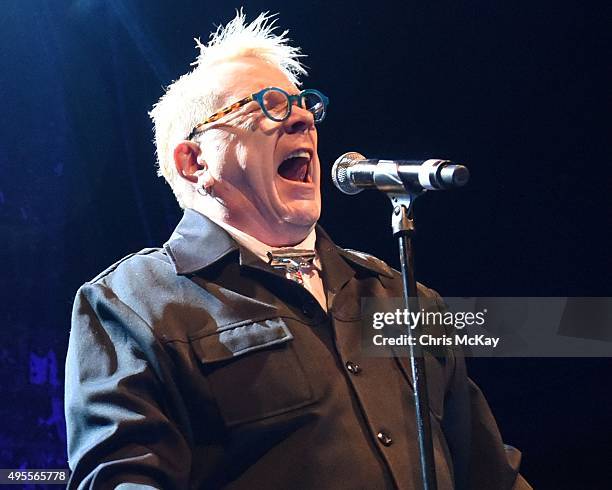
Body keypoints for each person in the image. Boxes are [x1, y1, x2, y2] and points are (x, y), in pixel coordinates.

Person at [65, 11, 531, 489]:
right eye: (267, 105)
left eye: (304, 104)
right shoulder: (133, 304)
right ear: (195, 161)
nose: (304, 118)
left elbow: (489, 474)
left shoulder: (400, 296)